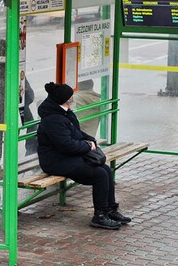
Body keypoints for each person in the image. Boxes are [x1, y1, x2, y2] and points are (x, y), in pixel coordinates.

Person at [36, 82, 130, 230]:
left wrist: (91, 140)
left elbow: (77, 134)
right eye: (70, 98)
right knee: (99, 175)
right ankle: (99, 216)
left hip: (66, 157)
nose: (72, 100)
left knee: (105, 169)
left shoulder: (65, 113)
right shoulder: (53, 120)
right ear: (64, 101)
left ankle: (110, 210)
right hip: (55, 161)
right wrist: (87, 146)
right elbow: (66, 145)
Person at [0, 39, 36, 200]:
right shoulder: (15, 71)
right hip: (14, 118)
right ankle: (13, 183)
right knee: (12, 151)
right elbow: (29, 97)